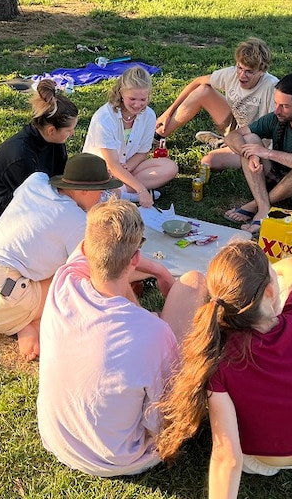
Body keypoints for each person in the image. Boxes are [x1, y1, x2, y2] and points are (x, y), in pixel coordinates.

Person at [156, 242, 292, 498]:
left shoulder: (215, 355)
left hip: (258, 460)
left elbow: (227, 457)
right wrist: (270, 272)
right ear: (270, 290)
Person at [37, 199, 205, 477]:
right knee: (194, 283)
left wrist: (157, 270)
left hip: (59, 439)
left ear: (86, 248)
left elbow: (102, 264)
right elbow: (165, 416)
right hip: (120, 458)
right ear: (135, 258)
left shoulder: (64, 280)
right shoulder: (155, 334)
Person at [0, 153, 122, 361]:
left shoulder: (36, 180)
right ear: (83, 191)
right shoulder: (77, 221)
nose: (101, 197)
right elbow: (99, 269)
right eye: (100, 192)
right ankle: (31, 321)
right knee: (78, 279)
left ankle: (22, 320)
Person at [221, 74, 292, 234]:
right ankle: (264, 207)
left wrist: (267, 153)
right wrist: (250, 154)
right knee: (249, 139)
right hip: (277, 180)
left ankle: (255, 204)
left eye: (284, 106)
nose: (277, 110)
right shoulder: (276, 118)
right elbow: (232, 136)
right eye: (276, 103)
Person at [154, 37, 278, 171]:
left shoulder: (272, 87)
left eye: (249, 71)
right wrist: (168, 112)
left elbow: (276, 127)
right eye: (239, 68)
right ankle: (156, 136)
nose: (242, 75)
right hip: (236, 127)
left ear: (262, 71)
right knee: (203, 91)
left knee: (208, 162)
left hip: (254, 142)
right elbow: (197, 81)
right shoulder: (231, 74)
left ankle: (222, 144)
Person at [0, 79, 78, 231]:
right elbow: (34, 202)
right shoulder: (20, 155)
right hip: (6, 218)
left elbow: (61, 179)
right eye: (69, 130)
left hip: (39, 200)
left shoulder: (56, 143)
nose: (72, 133)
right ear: (51, 130)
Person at [83, 66, 178, 207]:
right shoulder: (104, 118)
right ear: (121, 93)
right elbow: (112, 164)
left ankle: (117, 193)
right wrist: (141, 190)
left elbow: (143, 152)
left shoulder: (149, 115)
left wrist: (127, 167)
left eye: (143, 99)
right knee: (101, 182)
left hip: (127, 167)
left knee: (170, 167)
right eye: (132, 98)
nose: (137, 104)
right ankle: (128, 194)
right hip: (102, 171)